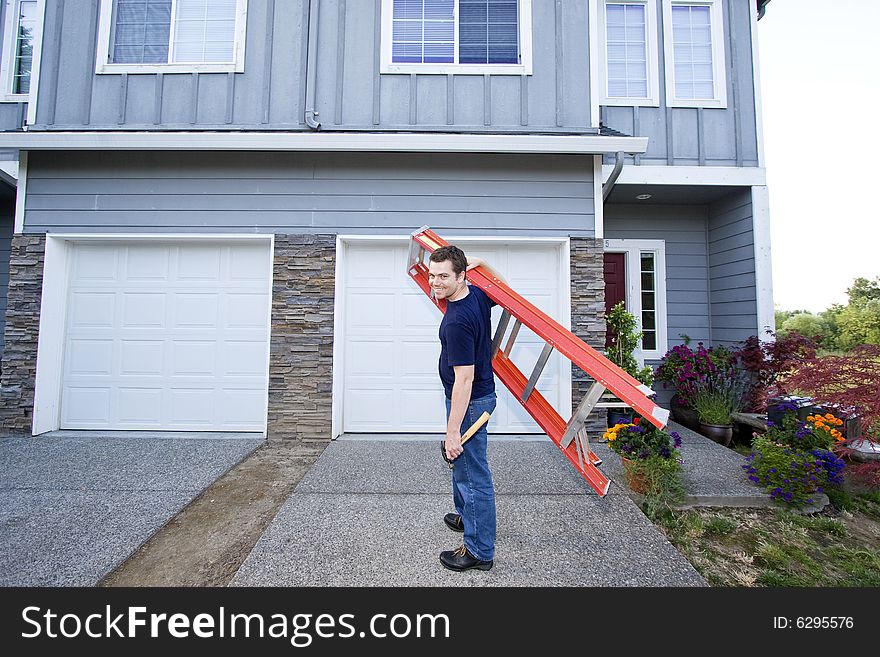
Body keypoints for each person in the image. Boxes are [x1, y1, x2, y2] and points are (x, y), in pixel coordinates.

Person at [427, 245, 506, 572]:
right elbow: (504, 292)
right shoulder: (475, 295)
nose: (435, 282)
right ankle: (468, 516)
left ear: (462, 276)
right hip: (475, 399)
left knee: (473, 476)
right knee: (463, 469)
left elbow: (464, 379)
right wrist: (484, 263)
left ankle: (479, 551)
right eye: (433, 275)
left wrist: (452, 431)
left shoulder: (458, 318)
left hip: (470, 402)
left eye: (444, 276)